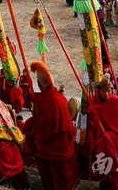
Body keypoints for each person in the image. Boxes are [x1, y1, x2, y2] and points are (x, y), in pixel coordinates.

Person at [26, 61, 79, 190]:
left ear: (40, 85)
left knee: (55, 181)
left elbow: (44, 127)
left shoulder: (46, 100)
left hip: (53, 149)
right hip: (62, 146)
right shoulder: (56, 95)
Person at [90, 73, 118, 189]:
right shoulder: (94, 102)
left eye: (109, 91)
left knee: (115, 176)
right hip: (102, 144)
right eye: (103, 91)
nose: (106, 94)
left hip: (115, 143)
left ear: (112, 90)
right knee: (105, 174)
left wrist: (108, 136)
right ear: (99, 91)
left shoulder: (117, 103)